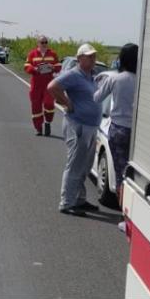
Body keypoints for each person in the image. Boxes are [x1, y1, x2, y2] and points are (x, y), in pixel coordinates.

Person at [48, 43, 103, 216]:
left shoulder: (91, 76)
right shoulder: (73, 74)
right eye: (89, 56)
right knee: (74, 165)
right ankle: (67, 202)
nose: (93, 59)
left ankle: (79, 199)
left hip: (90, 126)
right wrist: (68, 103)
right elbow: (52, 87)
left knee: (84, 166)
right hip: (77, 125)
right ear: (80, 59)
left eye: (94, 56)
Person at [93, 43, 140, 191]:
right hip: (137, 132)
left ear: (122, 59)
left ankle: (123, 203)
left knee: (121, 174)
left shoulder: (115, 79)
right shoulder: (141, 80)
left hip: (119, 129)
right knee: (134, 173)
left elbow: (97, 98)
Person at [24, 37, 62, 137]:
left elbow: (58, 66)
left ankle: (48, 122)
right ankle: (38, 128)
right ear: (38, 43)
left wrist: (53, 67)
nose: (44, 44)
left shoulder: (53, 54)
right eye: (42, 42)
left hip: (49, 84)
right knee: (36, 107)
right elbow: (26, 66)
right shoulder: (32, 54)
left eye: (46, 42)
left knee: (49, 104)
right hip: (36, 85)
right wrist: (34, 69)